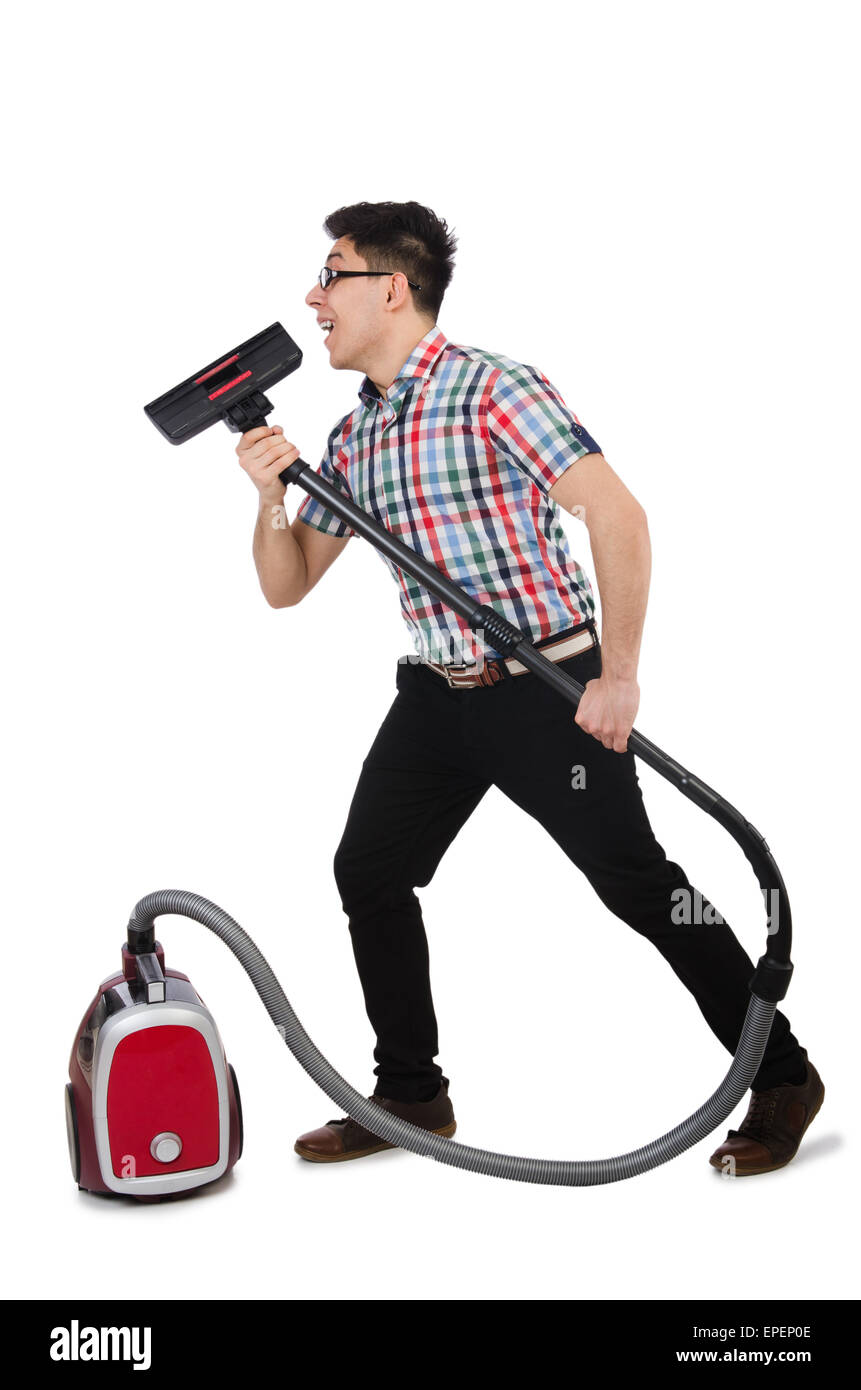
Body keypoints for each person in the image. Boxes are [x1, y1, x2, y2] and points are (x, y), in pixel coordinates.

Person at [236, 200, 824, 1177]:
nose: (312, 296)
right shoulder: (356, 435)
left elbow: (617, 515)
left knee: (644, 889)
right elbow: (287, 583)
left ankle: (784, 1073)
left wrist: (621, 675)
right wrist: (267, 498)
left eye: (330, 273)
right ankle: (412, 1091)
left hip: (548, 688)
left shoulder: (492, 390)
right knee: (368, 871)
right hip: (435, 698)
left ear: (391, 287)